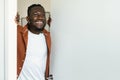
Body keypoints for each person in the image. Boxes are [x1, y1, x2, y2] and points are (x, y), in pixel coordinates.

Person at [16, 4, 52, 80]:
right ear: (28, 19)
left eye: (43, 15)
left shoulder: (48, 36)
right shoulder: (19, 33)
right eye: (36, 14)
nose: (40, 17)